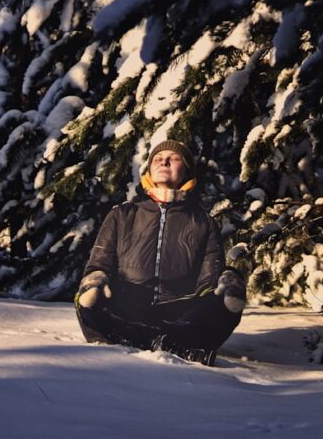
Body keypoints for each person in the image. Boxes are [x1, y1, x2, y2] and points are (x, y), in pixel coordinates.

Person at [75, 139, 246, 365]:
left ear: (186, 171)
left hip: (180, 316)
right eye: (157, 158)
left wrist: (225, 285)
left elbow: (208, 285)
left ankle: (144, 341)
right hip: (127, 311)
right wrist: (95, 280)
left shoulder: (204, 223)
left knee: (226, 297)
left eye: (174, 158)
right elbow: (99, 266)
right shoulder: (121, 215)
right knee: (88, 300)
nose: (164, 161)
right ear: (149, 170)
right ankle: (177, 346)